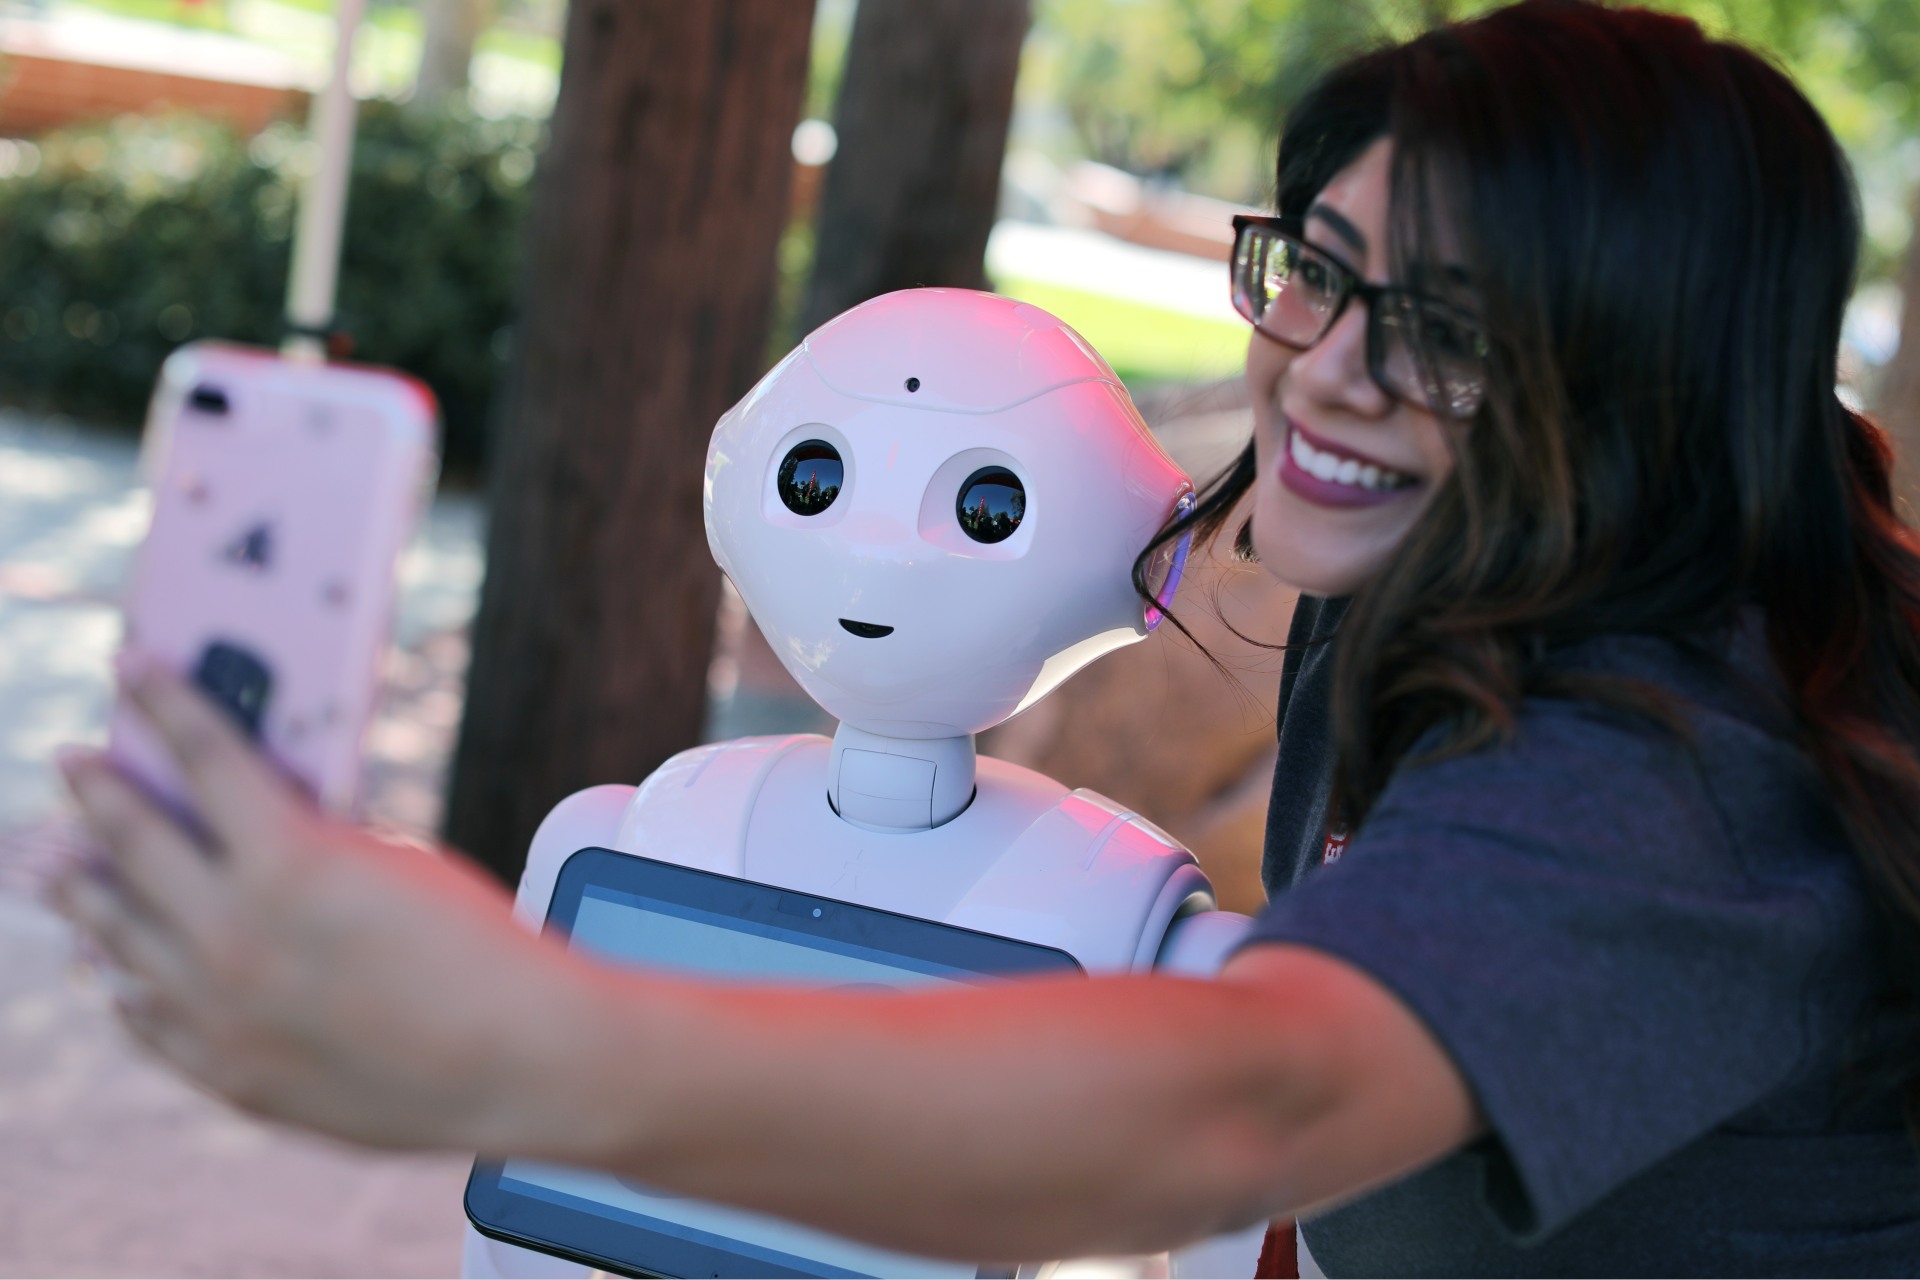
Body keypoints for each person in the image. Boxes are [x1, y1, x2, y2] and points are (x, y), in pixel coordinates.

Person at [50, 0, 1920, 1273]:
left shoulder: (1671, 759)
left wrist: (538, 1053)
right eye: (1323, 275)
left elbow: (1241, 1103)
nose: (1324, 374)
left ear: (1634, 386)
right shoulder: (1440, 561)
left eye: (1444, 325)